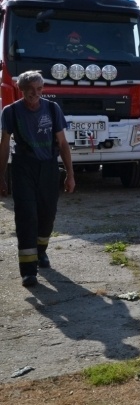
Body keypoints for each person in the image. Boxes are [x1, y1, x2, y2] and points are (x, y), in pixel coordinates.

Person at [0, 70, 76, 287]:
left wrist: (70, 174)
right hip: (23, 168)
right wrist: (1, 177)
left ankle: (40, 251)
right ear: (20, 89)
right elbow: (4, 144)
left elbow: (62, 144)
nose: (35, 94)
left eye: (39, 89)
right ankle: (28, 270)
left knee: (47, 216)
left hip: (49, 168)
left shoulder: (52, 109)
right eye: (30, 89)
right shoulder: (11, 112)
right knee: (26, 217)